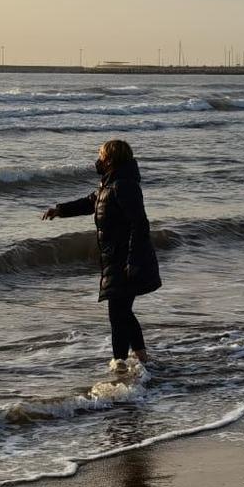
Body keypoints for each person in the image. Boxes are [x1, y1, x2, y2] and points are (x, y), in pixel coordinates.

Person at [42, 139, 162, 371]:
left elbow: (140, 224)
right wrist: (60, 210)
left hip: (124, 259)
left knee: (118, 313)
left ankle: (120, 363)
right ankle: (142, 359)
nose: (97, 160)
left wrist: (133, 260)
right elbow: (92, 202)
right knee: (122, 311)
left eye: (100, 155)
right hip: (115, 258)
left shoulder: (124, 185)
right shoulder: (110, 183)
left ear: (110, 159)